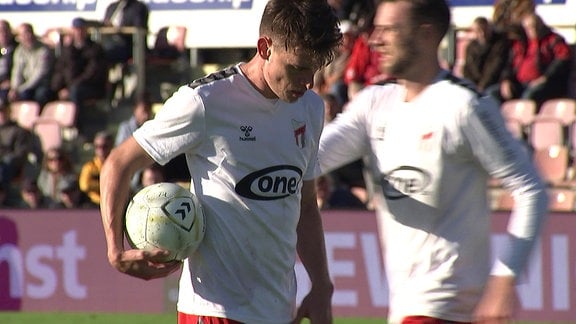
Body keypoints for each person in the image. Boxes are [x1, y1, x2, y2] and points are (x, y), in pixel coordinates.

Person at [99, 1, 342, 323]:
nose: (309, 81)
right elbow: (118, 162)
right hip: (215, 310)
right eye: (298, 67)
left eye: (314, 69)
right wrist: (115, 249)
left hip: (280, 309)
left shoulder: (310, 108)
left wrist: (322, 284)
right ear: (265, 47)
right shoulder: (204, 101)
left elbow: (306, 205)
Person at [318, 0, 549, 323]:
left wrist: (504, 278)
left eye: (389, 30)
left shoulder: (463, 105)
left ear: (426, 35)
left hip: (445, 308)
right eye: (375, 29)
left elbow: (531, 190)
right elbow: (309, 160)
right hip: (406, 308)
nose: (375, 40)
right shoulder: (374, 103)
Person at [492, 13, 572, 107]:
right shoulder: (521, 43)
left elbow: (563, 58)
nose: (532, 30)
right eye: (528, 27)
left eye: (535, 26)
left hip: (545, 83)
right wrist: (506, 80)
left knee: (529, 96)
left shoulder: (553, 40)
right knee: (492, 94)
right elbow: (510, 64)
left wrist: (546, 77)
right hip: (519, 83)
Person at [50, 17, 109, 131]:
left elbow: (92, 73)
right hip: (70, 86)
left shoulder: (95, 49)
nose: (79, 32)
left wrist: (71, 86)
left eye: (81, 29)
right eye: (76, 29)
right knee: (46, 92)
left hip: (92, 87)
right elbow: (61, 69)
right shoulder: (68, 50)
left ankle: (77, 126)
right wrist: (59, 87)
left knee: (76, 92)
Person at [8, 23, 53, 107]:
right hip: (25, 85)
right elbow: (17, 72)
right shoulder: (19, 51)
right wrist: (14, 88)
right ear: (19, 37)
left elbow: (39, 75)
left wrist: (21, 89)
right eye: (24, 34)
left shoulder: (43, 50)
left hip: (41, 84)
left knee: (40, 95)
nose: (28, 36)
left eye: (29, 32)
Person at [462, 17, 511, 94]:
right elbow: (468, 68)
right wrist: (471, 85)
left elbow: (494, 67)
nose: (482, 34)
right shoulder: (471, 47)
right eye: (478, 31)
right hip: (475, 85)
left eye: (484, 30)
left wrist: (482, 86)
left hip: (493, 83)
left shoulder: (499, 44)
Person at [102, 0, 149, 65]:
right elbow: (104, 25)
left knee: (102, 55)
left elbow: (138, 28)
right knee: (93, 52)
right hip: (109, 44)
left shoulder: (138, 7)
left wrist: (117, 30)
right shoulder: (112, 7)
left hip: (128, 46)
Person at [0, 100, 33, 190]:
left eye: (3, 111)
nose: (1, 114)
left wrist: (4, 159)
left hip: (8, 166)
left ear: (9, 111)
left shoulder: (19, 131)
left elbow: (21, 154)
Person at [80, 130, 113, 205]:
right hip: (92, 204)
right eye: (97, 147)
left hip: (112, 203)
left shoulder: (116, 166)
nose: (101, 150)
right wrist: (106, 185)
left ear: (111, 146)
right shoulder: (89, 167)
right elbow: (84, 185)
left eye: (104, 146)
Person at [0, 20, 17, 103]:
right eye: (0, 31)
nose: (3, 34)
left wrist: (12, 83)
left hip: (11, 85)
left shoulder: (18, 49)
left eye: (5, 30)